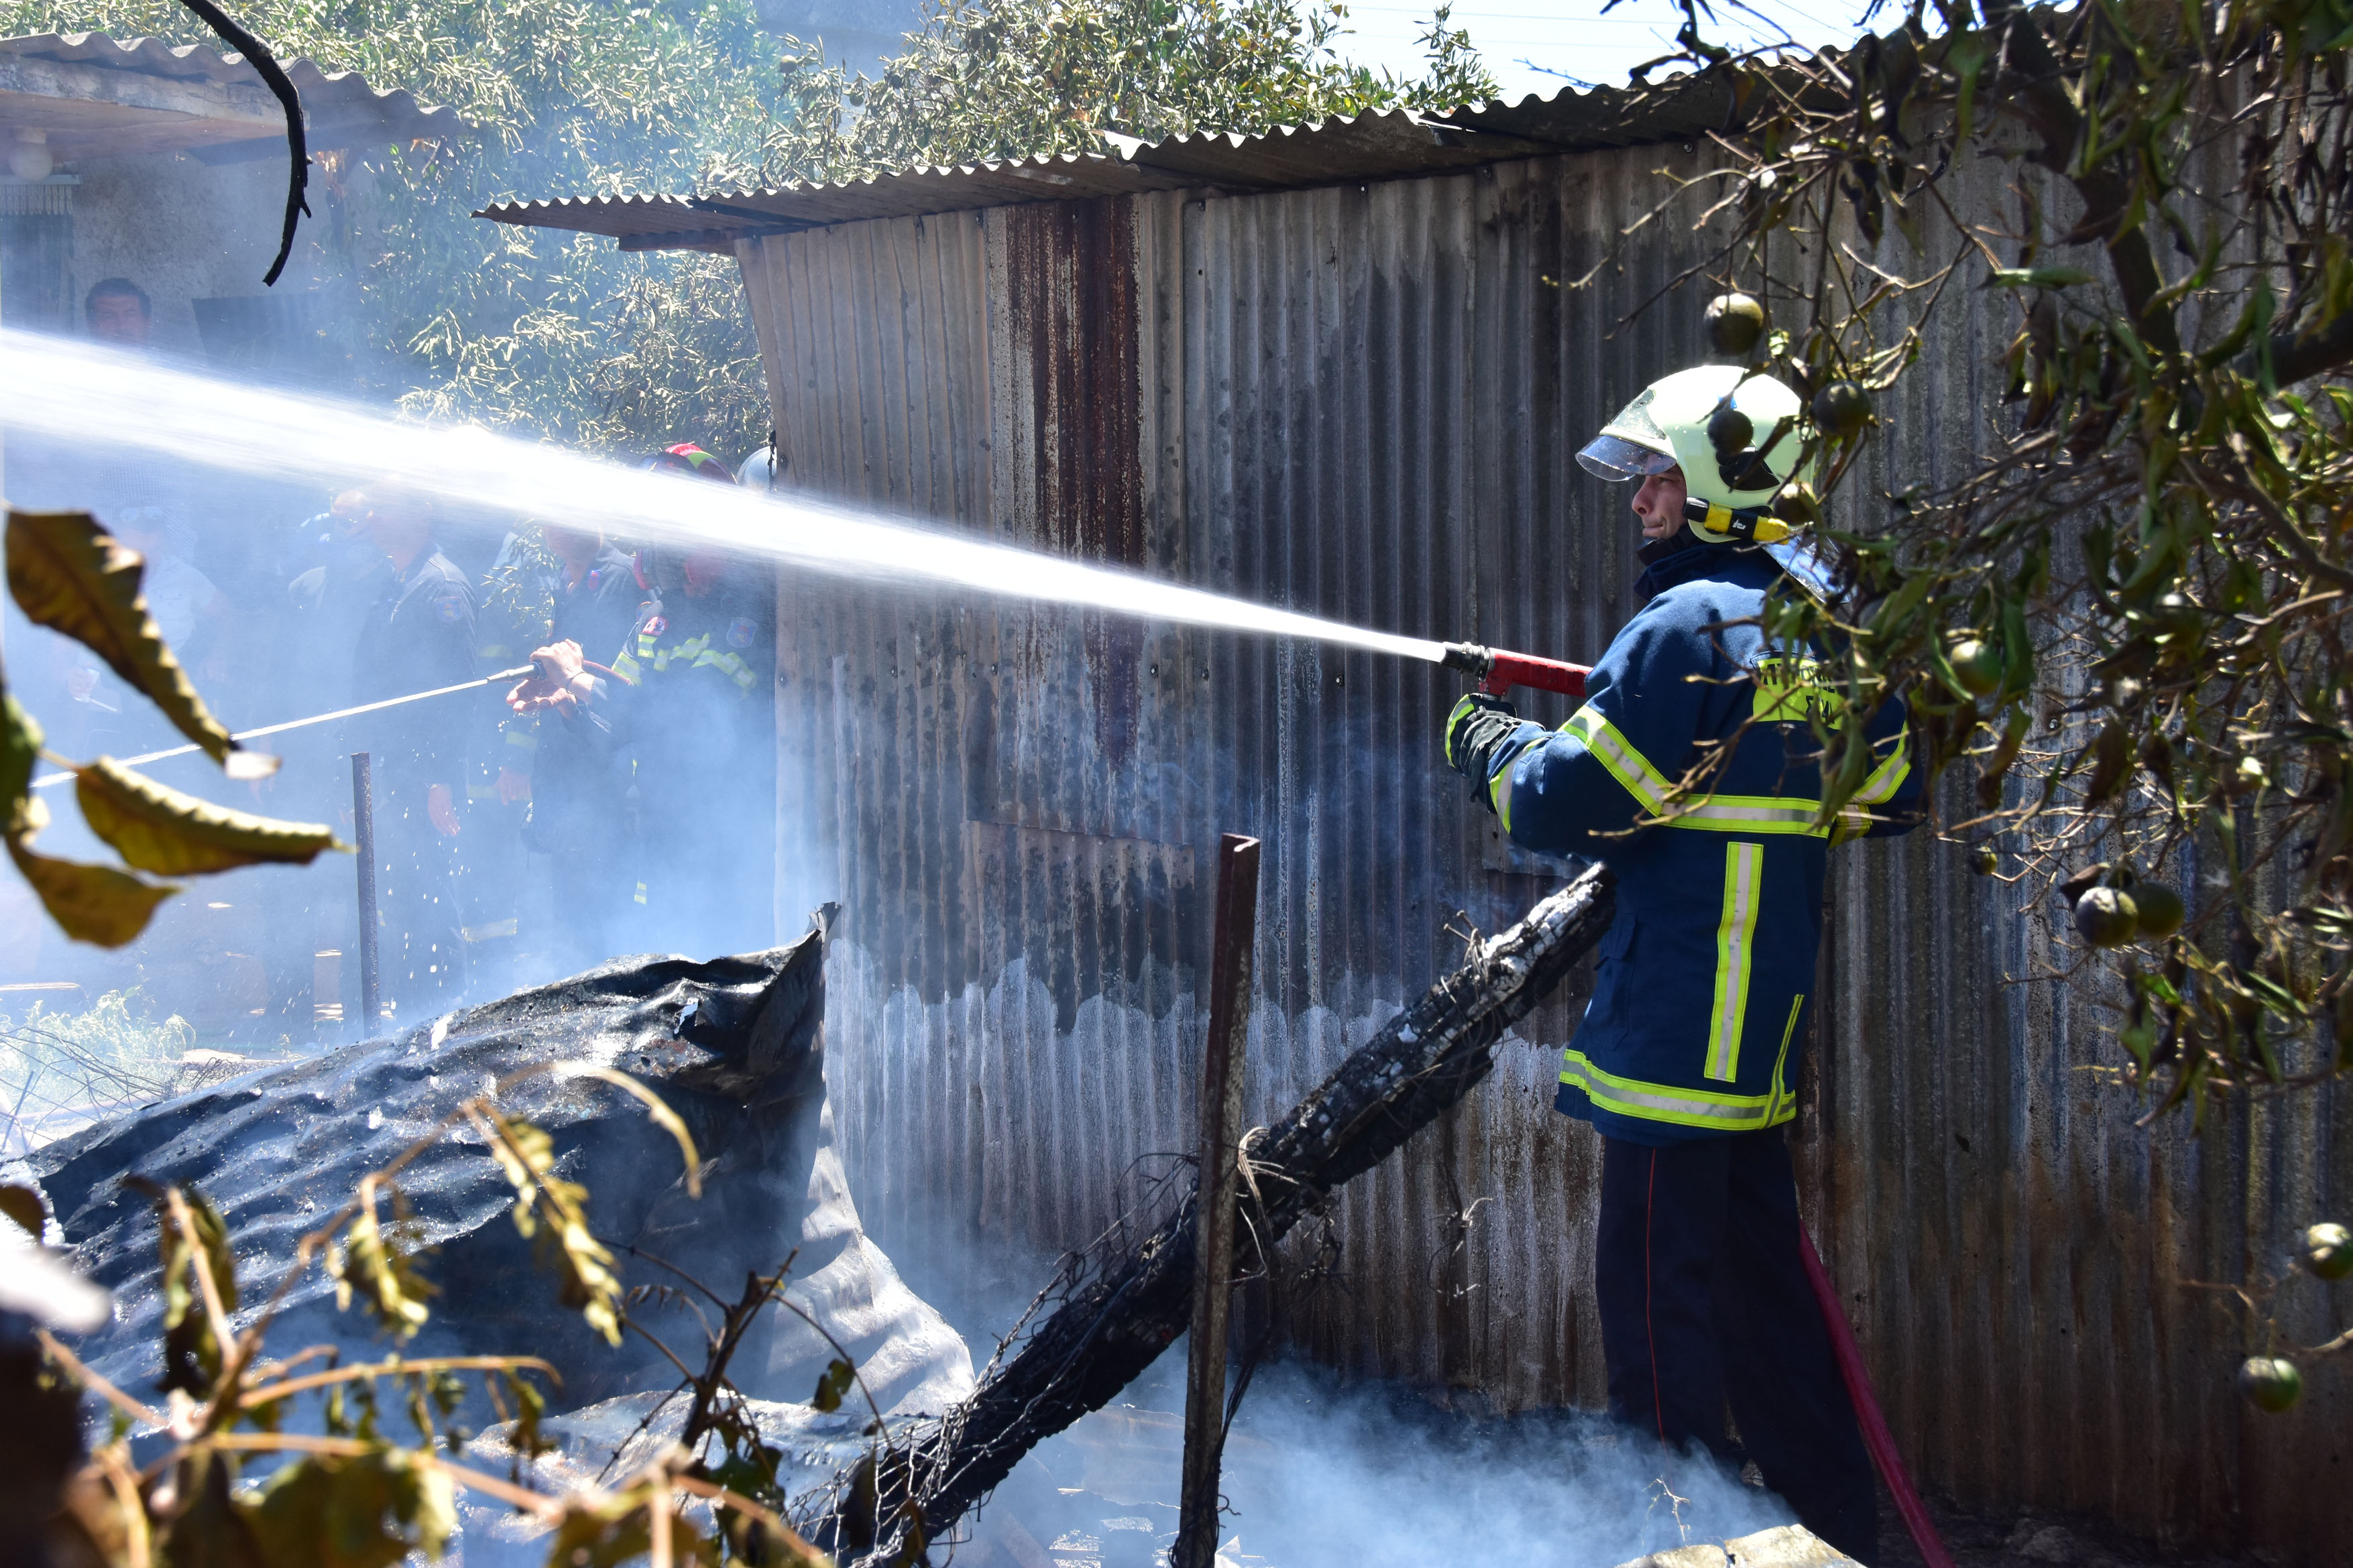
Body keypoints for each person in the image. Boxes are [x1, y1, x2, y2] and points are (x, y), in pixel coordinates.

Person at [1442, 365, 1921, 1562]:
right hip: (1752, 1055)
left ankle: (1669, 1543)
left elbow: (1566, 801)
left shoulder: (1681, 629)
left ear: (1717, 482)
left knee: (1657, 1340)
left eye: (1658, 473)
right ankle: (1832, 1531)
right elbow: (1889, 792)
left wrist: (1487, 738)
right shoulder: (1822, 634)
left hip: (1666, 1047)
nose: (1640, 495)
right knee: (1768, 1318)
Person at [348, 483, 480, 1021]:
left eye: (387, 506)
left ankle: (444, 1020)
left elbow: (455, 692)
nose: (374, 515)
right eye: (371, 505)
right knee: (401, 894)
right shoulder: (395, 583)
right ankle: (409, 1021)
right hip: (391, 766)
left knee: (429, 892)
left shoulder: (441, 586)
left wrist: (441, 778)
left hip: (424, 772)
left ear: (423, 512)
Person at [84, 278, 152, 347]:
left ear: (147, 323)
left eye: (130, 315)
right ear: (92, 325)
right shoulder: (74, 357)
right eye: (109, 316)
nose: (121, 325)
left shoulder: (163, 357)